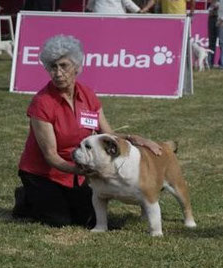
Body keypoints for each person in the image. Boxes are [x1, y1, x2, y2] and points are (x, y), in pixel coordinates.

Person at [12, 34, 162, 228]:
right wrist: (82, 169)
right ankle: (25, 199)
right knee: (59, 221)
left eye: (63, 66)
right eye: (52, 67)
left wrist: (137, 139)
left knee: (86, 219)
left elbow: (109, 135)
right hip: (43, 173)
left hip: (78, 168)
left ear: (76, 66)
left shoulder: (88, 95)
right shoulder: (42, 103)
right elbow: (50, 156)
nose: (58, 73)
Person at [208, 0, 220, 68]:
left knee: (222, 42)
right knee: (211, 41)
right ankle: (210, 62)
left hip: (220, 17)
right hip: (212, 16)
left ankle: (222, 63)